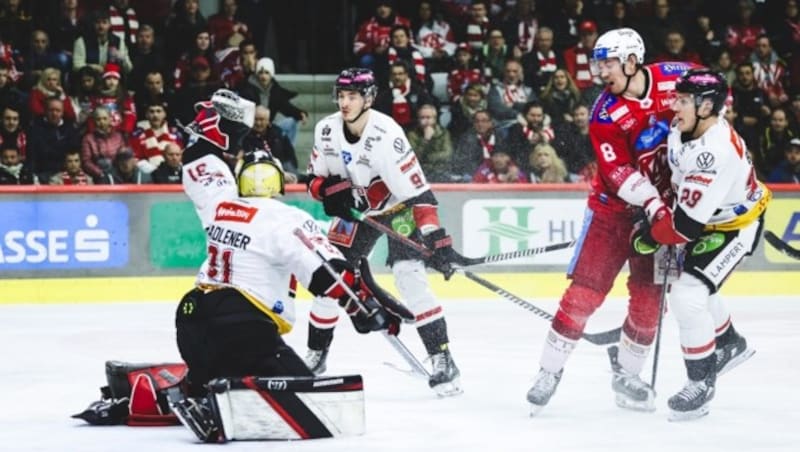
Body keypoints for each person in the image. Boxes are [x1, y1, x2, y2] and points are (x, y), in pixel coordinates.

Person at [173, 89, 407, 441]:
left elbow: (198, 163)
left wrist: (212, 132)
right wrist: (364, 307)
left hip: (190, 320)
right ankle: (221, 405)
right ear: (279, 180)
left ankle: (197, 387)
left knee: (220, 366)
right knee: (308, 397)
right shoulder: (285, 218)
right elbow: (326, 272)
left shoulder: (219, 206)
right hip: (243, 329)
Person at [525, 28, 703, 415]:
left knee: (649, 301)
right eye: (598, 63)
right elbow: (619, 172)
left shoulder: (673, 75)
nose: (600, 71)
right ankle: (549, 371)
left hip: (661, 214)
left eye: (607, 63)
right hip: (612, 212)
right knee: (583, 296)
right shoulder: (604, 114)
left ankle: (627, 375)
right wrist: (655, 204)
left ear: (631, 61)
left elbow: (712, 86)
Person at [304, 68, 462, 396]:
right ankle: (316, 356)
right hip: (356, 214)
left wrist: (435, 236)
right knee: (330, 277)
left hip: (398, 209)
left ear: (369, 99)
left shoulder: (387, 134)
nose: (344, 103)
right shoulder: (326, 130)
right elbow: (312, 181)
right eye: (341, 96)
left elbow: (420, 196)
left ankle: (442, 358)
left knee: (409, 275)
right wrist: (326, 191)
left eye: (353, 97)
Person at [631, 69, 770, 420]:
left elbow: (685, 226)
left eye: (681, 100)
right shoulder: (689, 126)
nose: (672, 106)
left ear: (706, 106)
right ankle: (729, 343)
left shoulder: (714, 153)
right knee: (698, 286)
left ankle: (702, 382)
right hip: (707, 219)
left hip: (734, 227)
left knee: (687, 294)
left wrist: (649, 237)